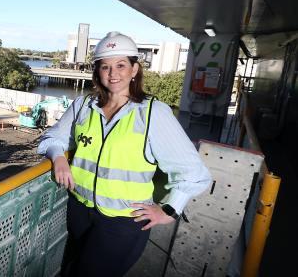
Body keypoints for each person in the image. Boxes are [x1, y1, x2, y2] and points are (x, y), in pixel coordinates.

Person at [37, 31, 212, 277]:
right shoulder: (84, 106)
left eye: (121, 65)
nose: (113, 73)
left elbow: (195, 173)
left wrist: (170, 209)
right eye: (105, 66)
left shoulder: (153, 113)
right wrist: (58, 157)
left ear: (134, 69)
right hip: (80, 210)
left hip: (123, 222)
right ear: (97, 71)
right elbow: (50, 138)